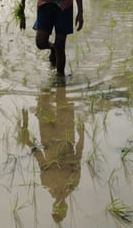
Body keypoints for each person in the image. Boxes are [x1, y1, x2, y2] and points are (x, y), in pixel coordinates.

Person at [18, 86, 84, 224]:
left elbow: (37, 154)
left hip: (48, 137)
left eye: (56, 209)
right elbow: (78, 155)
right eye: (60, 209)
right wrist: (82, 135)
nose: (59, 205)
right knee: (62, 96)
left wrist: (25, 124)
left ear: (54, 206)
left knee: (44, 96)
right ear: (64, 207)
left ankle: (51, 76)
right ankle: (57, 76)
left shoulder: (46, 182)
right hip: (66, 135)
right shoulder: (72, 183)